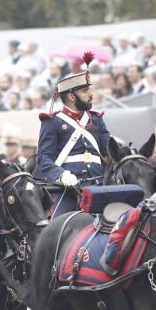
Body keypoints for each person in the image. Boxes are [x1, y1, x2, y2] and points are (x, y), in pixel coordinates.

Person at [34, 52, 111, 216]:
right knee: (55, 229)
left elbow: (109, 153)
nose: (90, 95)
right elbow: (44, 158)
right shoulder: (52, 122)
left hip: (100, 187)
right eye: (85, 91)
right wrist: (61, 175)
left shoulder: (96, 120)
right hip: (67, 190)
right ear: (71, 96)